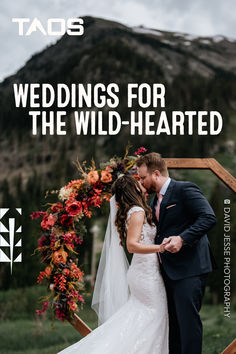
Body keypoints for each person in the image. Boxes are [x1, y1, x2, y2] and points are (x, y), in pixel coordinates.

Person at [58, 175, 169, 354]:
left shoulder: (134, 211)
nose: (142, 184)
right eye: (138, 183)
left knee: (143, 319)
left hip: (145, 271)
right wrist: (161, 248)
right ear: (133, 189)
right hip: (146, 274)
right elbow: (131, 246)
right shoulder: (138, 211)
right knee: (154, 319)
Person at [136, 152, 217, 354]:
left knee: (188, 324)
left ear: (156, 174)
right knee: (172, 327)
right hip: (167, 272)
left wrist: (182, 238)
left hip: (190, 268)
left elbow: (208, 217)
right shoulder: (154, 201)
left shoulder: (184, 189)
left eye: (142, 177)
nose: (141, 181)